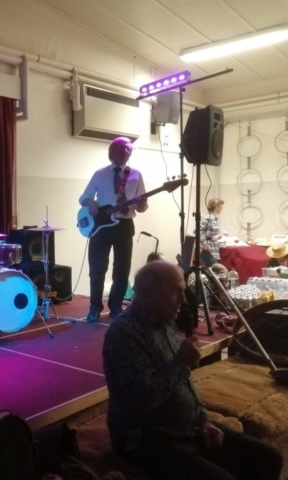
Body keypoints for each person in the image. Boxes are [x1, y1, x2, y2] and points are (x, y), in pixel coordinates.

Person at [103, 261, 283, 480]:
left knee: (268, 457)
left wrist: (203, 420)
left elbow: (183, 384)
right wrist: (180, 362)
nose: (183, 300)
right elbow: (140, 401)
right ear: (148, 293)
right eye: (175, 292)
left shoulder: (165, 323)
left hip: (185, 428)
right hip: (145, 439)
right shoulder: (124, 335)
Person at [79, 137, 148, 322]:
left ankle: (116, 307)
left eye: (129, 149)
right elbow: (84, 197)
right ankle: (95, 307)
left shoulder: (136, 175)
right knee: (97, 268)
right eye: (123, 148)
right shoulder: (100, 174)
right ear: (112, 151)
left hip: (125, 226)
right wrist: (91, 203)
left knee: (122, 269)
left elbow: (141, 208)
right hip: (101, 226)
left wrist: (142, 204)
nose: (127, 152)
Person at [199, 198, 226, 267]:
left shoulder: (214, 219)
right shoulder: (208, 218)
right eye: (221, 206)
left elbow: (213, 234)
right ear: (216, 207)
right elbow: (198, 230)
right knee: (213, 272)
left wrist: (219, 235)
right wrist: (205, 244)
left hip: (213, 251)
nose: (222, 208)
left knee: (213, 272)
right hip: (207, 250)